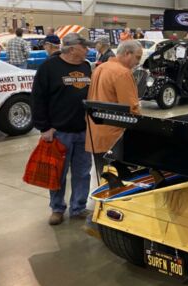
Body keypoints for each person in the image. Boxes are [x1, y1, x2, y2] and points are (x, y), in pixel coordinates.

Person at [31, 32, 93, 226]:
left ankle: (79, 207)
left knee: (83, 172)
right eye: (84, 47)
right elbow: (38, 99)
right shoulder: (49, 68)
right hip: (58, 132)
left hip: (83, 131)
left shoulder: (86, 67)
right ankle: (57, 208)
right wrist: (44, 127)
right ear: (73, 48)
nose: (88, 50)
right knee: (57, 173)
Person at [86, 40, 142, 174]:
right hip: (115, 138)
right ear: (127, 53)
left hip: (95, 134)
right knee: (119, 183)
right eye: (137, 57)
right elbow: (131, 108)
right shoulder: (123, 73)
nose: (138, 62)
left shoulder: (100, 68)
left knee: (103, 178)